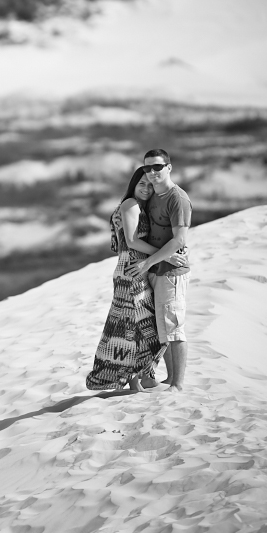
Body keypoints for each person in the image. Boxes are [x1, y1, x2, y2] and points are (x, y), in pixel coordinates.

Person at [85, 166, 187, 393]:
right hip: (132, 269)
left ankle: (143, 375)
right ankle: (132, 381)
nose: (146, 188)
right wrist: (166, 255)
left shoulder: (138, 206)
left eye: (150, 185)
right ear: (133, 185)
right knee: (133, 325)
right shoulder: (130, 204)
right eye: (141, 183)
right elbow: (132, 242)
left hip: (135, 267)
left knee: (141, 323)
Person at [126, 149, 192, 392]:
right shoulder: (153, 194)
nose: (152, 173)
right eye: (147, 168)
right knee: (161, 329)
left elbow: (178, 241)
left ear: (169, 167)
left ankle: (178, 385)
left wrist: (148, 261)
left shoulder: (178, 199)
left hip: (171, 272)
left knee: (174, 328)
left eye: (157, 167)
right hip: (154, 269)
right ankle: (169, 378)